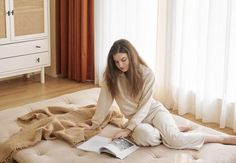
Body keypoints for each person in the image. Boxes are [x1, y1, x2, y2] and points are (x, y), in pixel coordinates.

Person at [86, 39, 236, 150]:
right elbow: (104, 101)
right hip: (136, 121)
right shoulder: (111, 77)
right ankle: (167, 130)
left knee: (175, 141)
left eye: (123, 60)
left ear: (131, 56)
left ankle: (222, 138)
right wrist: (94, 124)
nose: (121, 65)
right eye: (116, 62)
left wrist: (127, 129)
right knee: (146, 136)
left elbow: (145, 106)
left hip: (153, 111)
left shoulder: (146, 73)